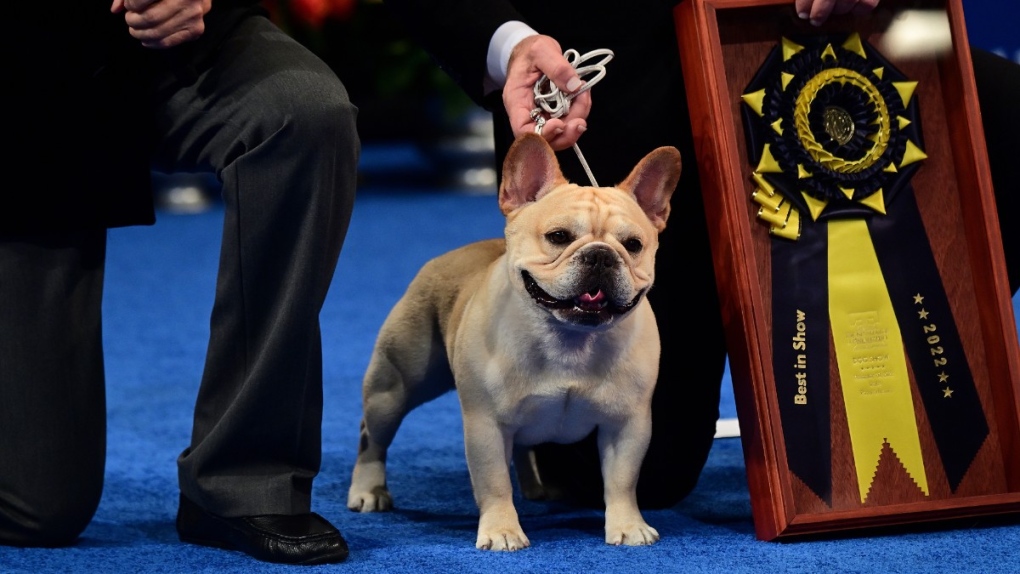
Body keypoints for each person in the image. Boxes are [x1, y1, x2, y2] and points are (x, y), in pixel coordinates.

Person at [381, 0, 1020, 509]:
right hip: (610, 66)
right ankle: (542, 436)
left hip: (829, 36)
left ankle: (937, 391)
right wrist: (507, 39)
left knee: (1006, 110)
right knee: (651, 480)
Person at [0, 0, 358, 565]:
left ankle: (244, 480)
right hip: (21, 65)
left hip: (167, 41)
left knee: (302, 112)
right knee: (39, 506)